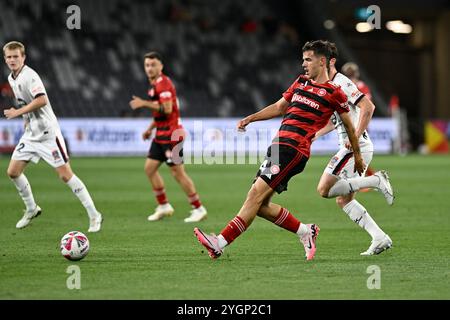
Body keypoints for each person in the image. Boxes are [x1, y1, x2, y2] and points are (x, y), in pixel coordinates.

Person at [194, 40, 365, 261]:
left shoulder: (334, 92)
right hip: (277, 146)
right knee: (261, 205)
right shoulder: (301, 82)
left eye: (308, 60)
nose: (304, 64)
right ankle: (306, 232)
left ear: (322, 62)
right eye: (303, 59)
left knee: (254, 196)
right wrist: (250, 118)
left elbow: (350, 126)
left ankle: (219, 242)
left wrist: (358, 155)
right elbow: (278, 107)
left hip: (294, 150)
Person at [2, 41, 102, 232]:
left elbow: (41, 100)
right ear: (5, 59)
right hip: (31, 134)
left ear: (23, 57)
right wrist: (25, 119)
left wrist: (17, 112)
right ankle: (31, 208)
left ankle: (94, 215)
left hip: (48, 134)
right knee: (13, 172)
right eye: (9, 57)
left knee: (65, 175)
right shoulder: (12, 78)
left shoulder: (30, 76)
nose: (12, 60)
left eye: (16, 56)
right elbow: (26, 100)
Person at [313, 41, 393, 255]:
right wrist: (315, 135)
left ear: (328, 62)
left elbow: (369, 107)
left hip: (356, 146)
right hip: (357, 146)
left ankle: (375, 180)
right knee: (344, 200)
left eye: (315, 60)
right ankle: (379, 237)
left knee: (324, 190)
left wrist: (355, 137)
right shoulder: (329, 86)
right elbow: (334, 121)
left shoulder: (341, 82)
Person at [129, 51, 207, 223]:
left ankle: (198, 208)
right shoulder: (154, 85)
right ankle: (163, 206)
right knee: (149, 169)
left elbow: (167, 109)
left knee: (178, 173)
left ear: (161, 66)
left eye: (153, 64)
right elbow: (161, 113)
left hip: (173, 136)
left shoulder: (163, 83)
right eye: (147, 65)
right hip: (161, 135)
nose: (150, 68)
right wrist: (150, 128)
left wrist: (143, 103)